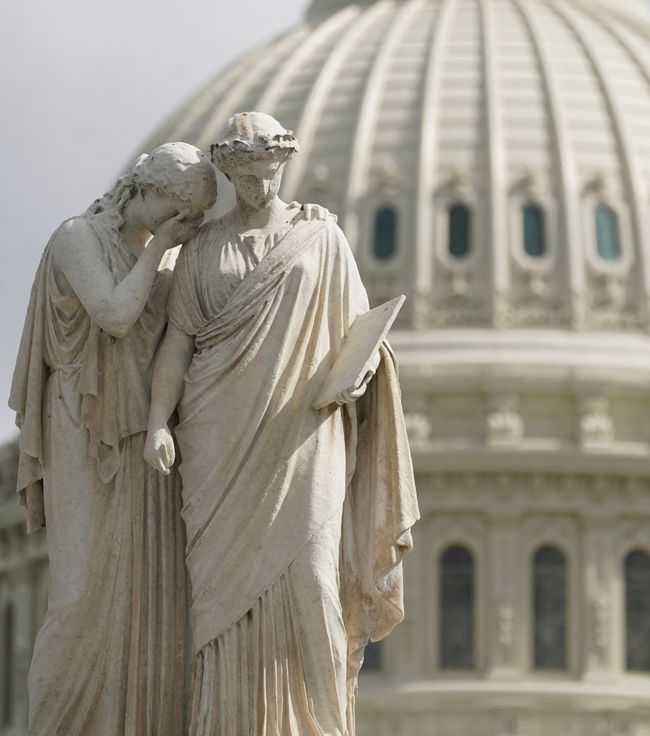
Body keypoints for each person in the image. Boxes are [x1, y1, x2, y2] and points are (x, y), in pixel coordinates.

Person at [144, 112, 419, 735]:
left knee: (313, 577)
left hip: (303, 431)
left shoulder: (321, 240)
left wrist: (360, 371)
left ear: (282, 166)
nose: (254, 185)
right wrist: (159, 421)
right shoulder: (202, 250)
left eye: (264, 171)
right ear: (226, 174)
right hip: (215, 437)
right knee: (215, 598)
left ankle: (315, 724)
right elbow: (176, 346)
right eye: (241, 175)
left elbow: (359, 335)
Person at [9, 143, 215, 735]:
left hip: (144, 438)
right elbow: (115, 314)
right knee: (78, 599)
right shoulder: (78, 237)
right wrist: (160, 250)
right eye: (182, 212)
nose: (186, 228)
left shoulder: (164, 255)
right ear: (153, 195)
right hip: (83, 422)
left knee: (147, 600)